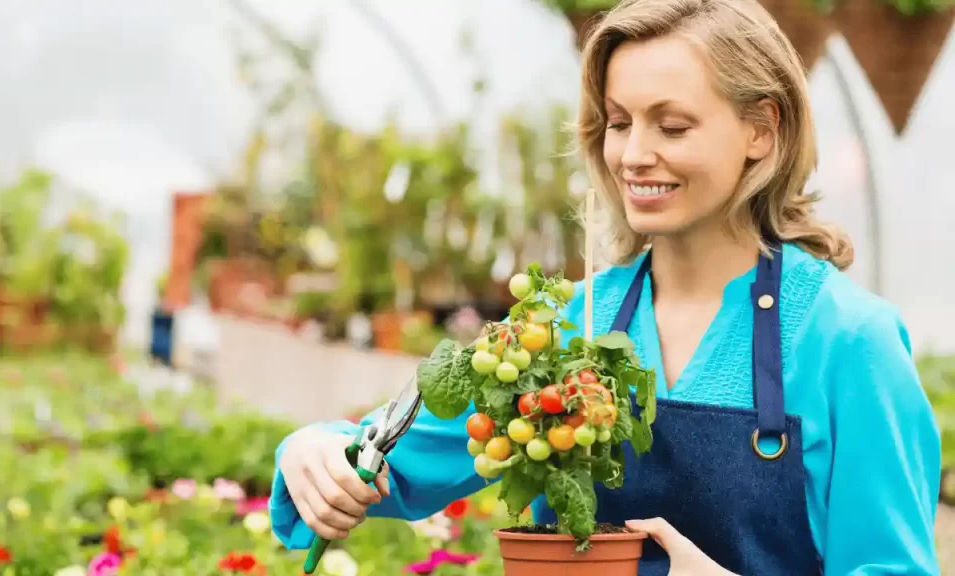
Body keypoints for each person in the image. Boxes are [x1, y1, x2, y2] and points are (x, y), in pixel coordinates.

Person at [269, 0, 943, 573]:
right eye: (620, 122)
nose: (633, 153)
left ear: (761, 131)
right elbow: (394, 460)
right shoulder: (570, 323)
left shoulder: (846, 340)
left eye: (671, 125)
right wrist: (313, 451)